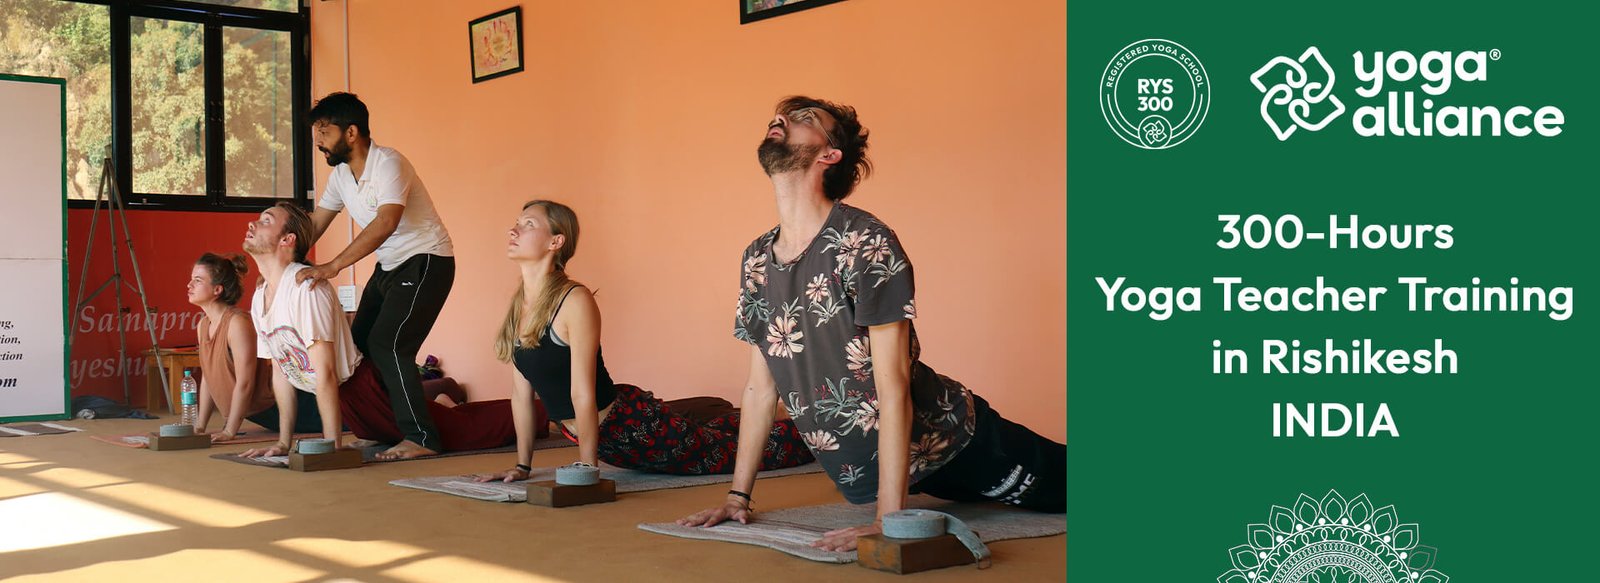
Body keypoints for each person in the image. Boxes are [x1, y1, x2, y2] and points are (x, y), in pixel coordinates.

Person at [678, 97, 1065, 551]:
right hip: (902, 475)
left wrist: (888, 519)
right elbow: (760, 390)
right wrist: (737, 498)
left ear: (830, 154)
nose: (780, 119)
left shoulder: (865, 241)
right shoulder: (757, 259)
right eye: (781, 115)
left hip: (957, 441)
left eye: (805, 118)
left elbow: (893, 386)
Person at [473, 201, 813, 483]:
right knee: (708, 432)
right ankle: (759, 416)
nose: (513, 230)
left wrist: (587, 469)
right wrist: (522, 466)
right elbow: (521, 394)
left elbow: (582, 392)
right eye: (516, 223)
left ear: (556, 241)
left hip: (632, 426)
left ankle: (813, 430)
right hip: (606, 441)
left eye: (528, 224)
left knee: (731, 453)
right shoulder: (519, 307)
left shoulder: (574, 300)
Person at [238, 203, 513, 458]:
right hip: (348, 404)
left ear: (288, 239)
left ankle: (531, 410)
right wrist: (282, 443)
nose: (253, 224)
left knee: (468, 432)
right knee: (435, 424)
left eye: (266, 220)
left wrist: (333, 448)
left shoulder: (306, 289)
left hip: (364, 392)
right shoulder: (260, 296)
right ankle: (443, 401)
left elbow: (327, 373)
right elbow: (281, 372)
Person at [295, 92, 456, 460]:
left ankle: (421, 438)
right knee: (356, 350)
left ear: (351, 133)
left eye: (324, 131)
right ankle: (375, 428)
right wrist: (283, 259)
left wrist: (334, 265)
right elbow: (315, 224)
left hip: (426, 260)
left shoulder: (388, 164)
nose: (318, 140)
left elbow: (386, 223)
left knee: (390, 344)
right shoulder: (341, 176)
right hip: (389, 266)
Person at [185, 252, 319, 441]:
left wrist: (229, 431)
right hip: (263, 415)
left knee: (351, 421)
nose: (189, 285)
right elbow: (209, 377)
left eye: (197, 280)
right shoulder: (203, 325)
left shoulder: (237, 323)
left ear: (217, 289)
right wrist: (200, 427)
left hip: (291, 406)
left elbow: (245, 382)